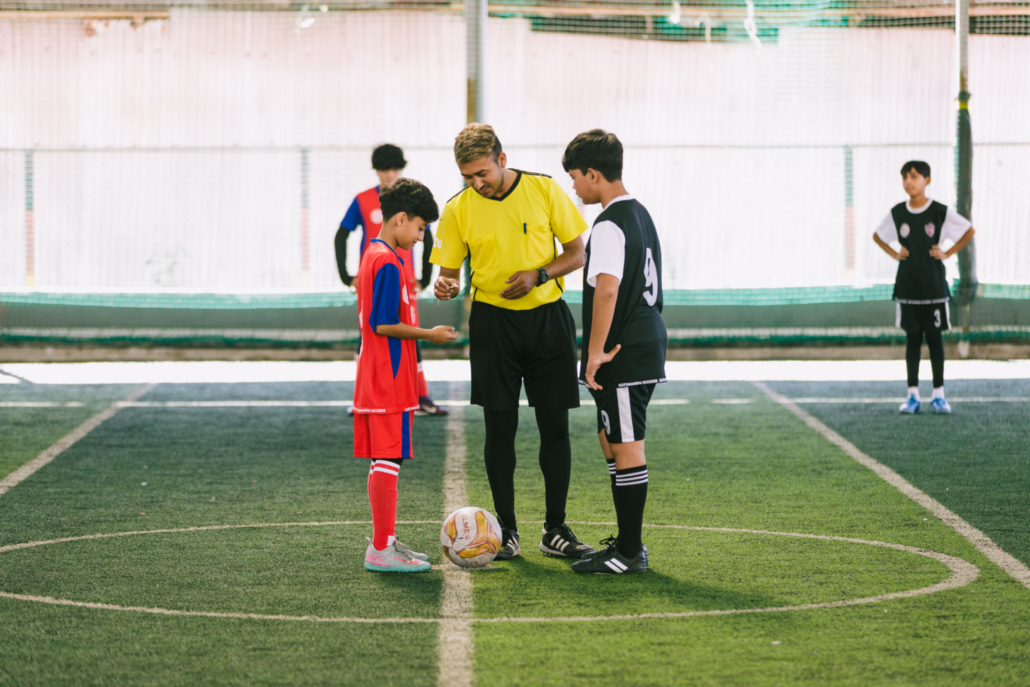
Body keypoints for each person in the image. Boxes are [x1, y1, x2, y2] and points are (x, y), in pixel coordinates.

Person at [431, 123, 595, 561]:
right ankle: (506, 531)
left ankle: (555, 529)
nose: (476, 183)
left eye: (482, 173)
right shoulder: (457, 208)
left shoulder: (544, 189)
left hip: (548, 321)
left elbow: (577, 253)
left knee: (555, 428)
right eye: (467, 176)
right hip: (492, 326)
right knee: (499, 429)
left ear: (502, 160)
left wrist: (539, 274)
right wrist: (445, 286)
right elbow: (447, 274)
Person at [561, 130, 666, 575]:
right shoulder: (639, 212)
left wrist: (595, 352)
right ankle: (625, 544)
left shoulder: (608, 223)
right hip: (643, 339)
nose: (573, 187)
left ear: (593, 174)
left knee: (626, 445)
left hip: (624, 348)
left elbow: (607, 289)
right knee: (609, 438)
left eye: (574, 177)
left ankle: (629, 552)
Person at [355, 178, 458, 572]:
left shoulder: (376, 253)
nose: (420, 237)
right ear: (401, 219)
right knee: (388, 457)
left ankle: (385, 542)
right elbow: (383, 324)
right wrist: (430, 334)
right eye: (420, 227)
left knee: (387, 457)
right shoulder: (386, 261)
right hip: (387, 374)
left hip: (381, 372)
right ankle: (381, 549)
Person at [336, 144, 448, 416]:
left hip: (404, 281)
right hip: (373, 277)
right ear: (376, 170)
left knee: (405, 331)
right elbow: (341, 235)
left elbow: (428, 236)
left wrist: (424, 277)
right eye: (385, 169)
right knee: (372, 332)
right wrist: (346, 276)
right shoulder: (363, 200)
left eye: (396, 169)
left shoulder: (410, 201)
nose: (390, 174)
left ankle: (419, 396)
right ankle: (365, 397)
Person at [872, 160, 975, 414]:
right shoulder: (898, 213)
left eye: (914, 176)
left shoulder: (939, 211)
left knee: (935, 339)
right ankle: (912, 396)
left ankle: (939, 395)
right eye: (905, 177)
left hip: (934, 289)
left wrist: (947, 252)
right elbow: (878, 236)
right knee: (913, 340)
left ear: (926, 180)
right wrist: (894, 253)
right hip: (908, 288)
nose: (909, 181)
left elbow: (968, 230)